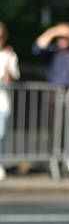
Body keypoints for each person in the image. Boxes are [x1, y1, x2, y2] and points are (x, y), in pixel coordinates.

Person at [0, 21, 20, 181]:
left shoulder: (9, 56)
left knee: (0, 134)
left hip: (2, 102)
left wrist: (6, 63)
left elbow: (11, 79)